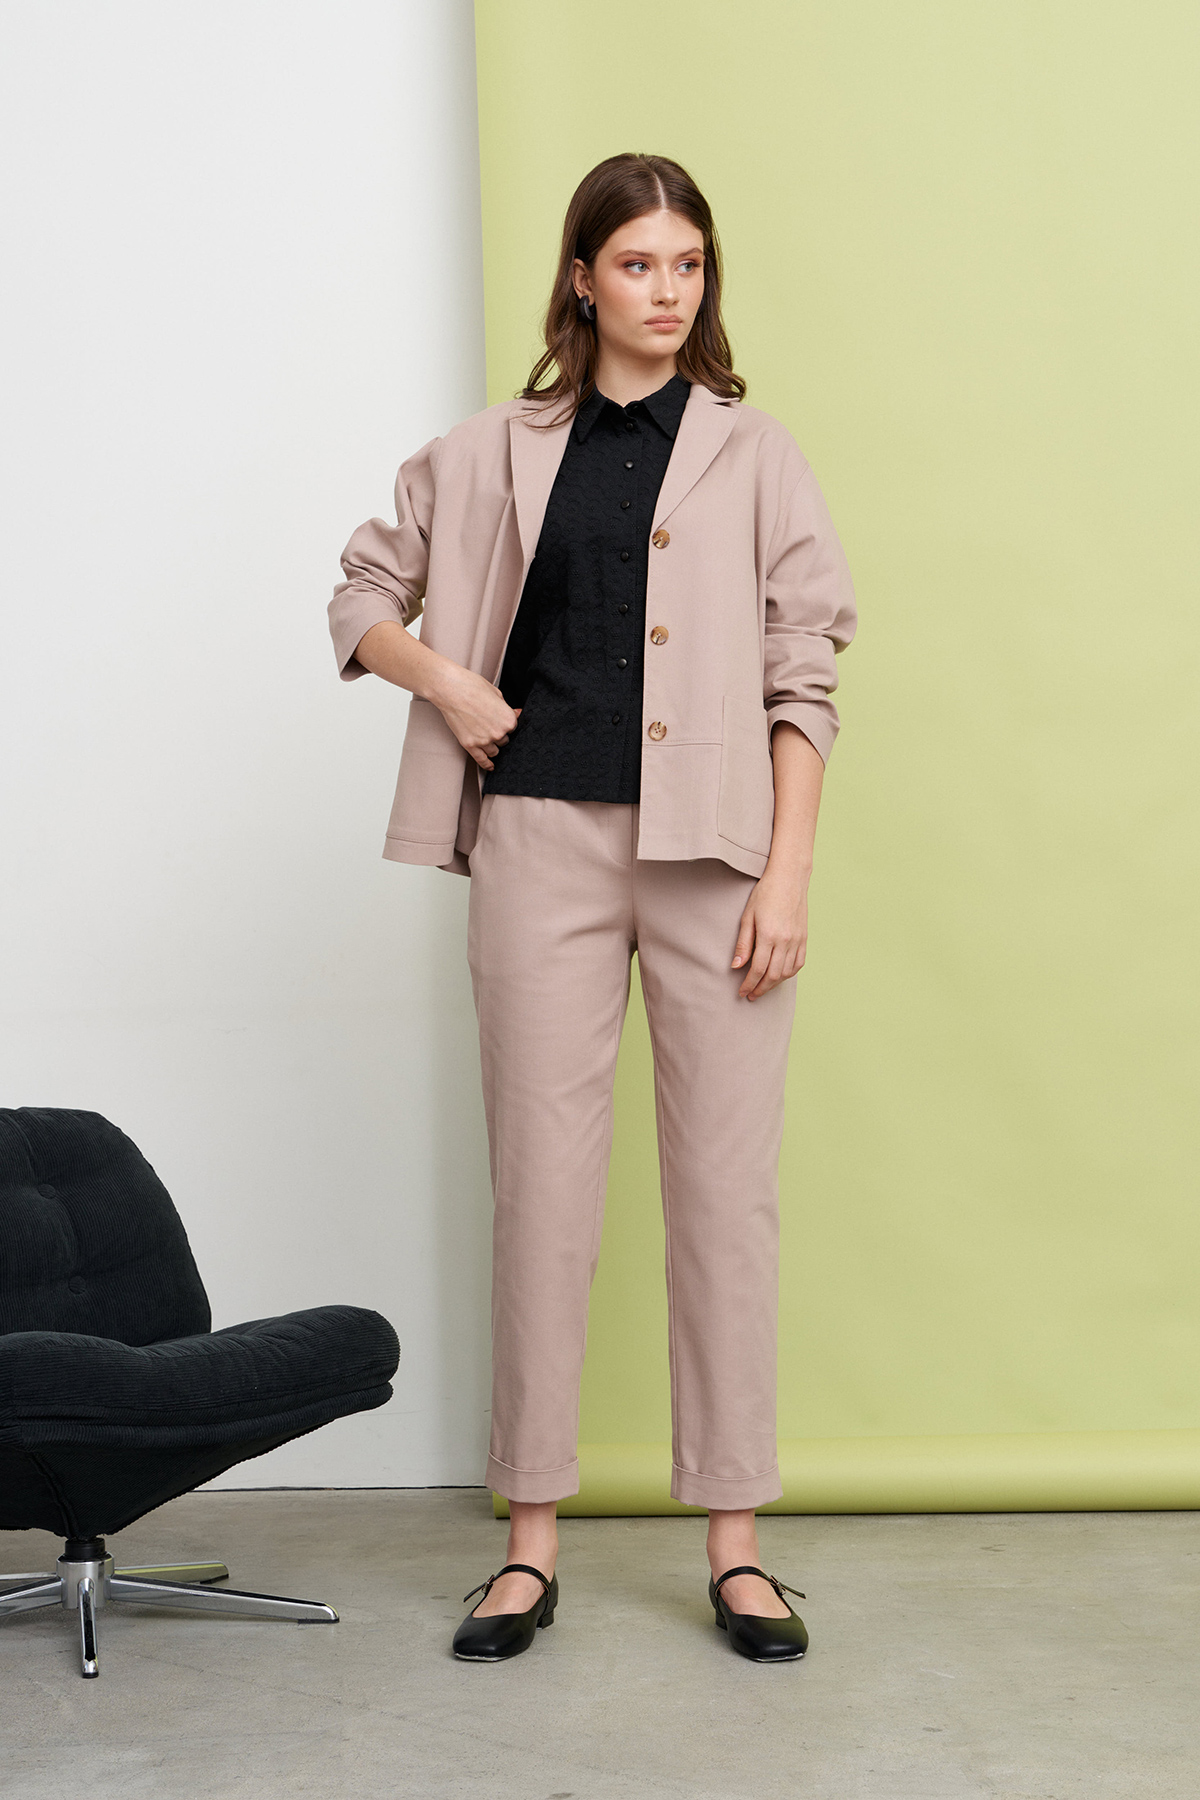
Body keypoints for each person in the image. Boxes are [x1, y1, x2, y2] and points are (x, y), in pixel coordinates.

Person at [328, 153, 856, 1664]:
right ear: (582, 277)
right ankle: (530, 1545)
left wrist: (788, 874)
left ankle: (738, 1549)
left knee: (726, 1198)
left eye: (688, 263)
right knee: (543, 1194)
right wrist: (451, 682)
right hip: (539, 843)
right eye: (637, 263)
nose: (666, 289)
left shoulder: (756, 454)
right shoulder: (489, 449)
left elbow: (806, 671)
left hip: (715, 861)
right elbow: (359, 592)